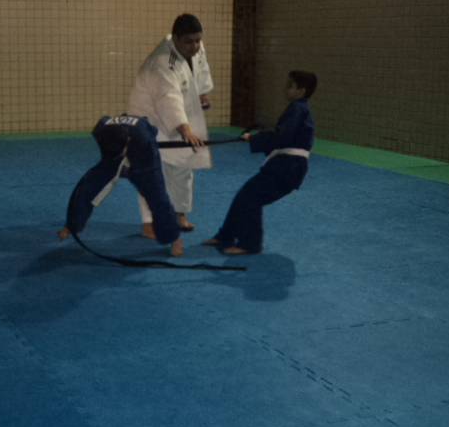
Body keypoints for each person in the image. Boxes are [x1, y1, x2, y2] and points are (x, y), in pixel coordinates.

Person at [202, 70, 317, 254]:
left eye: (290, 85)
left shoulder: (298, 109)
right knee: (245, 196)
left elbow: (282, 137)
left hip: (288, 167)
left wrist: (254, 138)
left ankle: (250, 244)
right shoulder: (299, 109)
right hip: (287, 165)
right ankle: (226, 236)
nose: (285, 88)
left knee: (250, 198)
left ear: (301, 91)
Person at [128, 13, 214, 238]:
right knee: (151, 171)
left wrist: (202, 93)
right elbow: (168, 98)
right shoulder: (162, 62)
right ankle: (150, 223)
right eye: (189, 42)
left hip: (179, 116)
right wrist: (184, 128)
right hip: (150, 117)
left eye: (198, 40)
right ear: (175, 38)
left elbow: (201, 70)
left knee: (183, 163)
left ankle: (179, 213)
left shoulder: (195, 47)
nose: (195, 47)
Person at [56, 114, 184, 256]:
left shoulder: (145, 139)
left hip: (143, 159)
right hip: (111, 157)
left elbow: (153, 132)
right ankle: (72, 226)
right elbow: (110, 146)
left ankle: (173, 237)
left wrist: (133, 170)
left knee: (157, 198)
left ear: (128, 141)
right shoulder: (100, 130)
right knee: (87, 189)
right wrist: (116, 159)